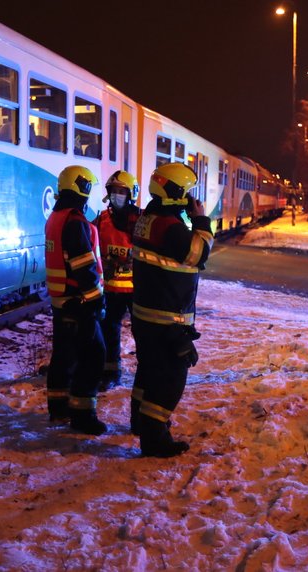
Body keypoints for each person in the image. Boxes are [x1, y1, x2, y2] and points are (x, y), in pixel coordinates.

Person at [130, 163, 214, 457]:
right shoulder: (171, 228)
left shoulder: (147, 219)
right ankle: (155, 439)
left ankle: (139, 423)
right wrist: (201, 220)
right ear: (177, 192)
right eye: (189, 192)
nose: (192, 198)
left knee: (148, 372)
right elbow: (199, 254)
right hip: (166, 318)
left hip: (145, 313)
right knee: (170, 378)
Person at [45, 165, 108, 434]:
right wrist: (95, 301)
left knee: (63, 357)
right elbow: (84, 266)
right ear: (82, 188)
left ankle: (58, 409)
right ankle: (83, 416)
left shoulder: (56, 216)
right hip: (79, 302)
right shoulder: (76, 222)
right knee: (94, 357)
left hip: (61, 300)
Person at [92, 170, 143, 390]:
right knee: (109, 332)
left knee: (142, 333)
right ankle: (110, 373)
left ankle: (146, 372)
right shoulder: (101, 219)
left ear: (131, 194)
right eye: (114, 191)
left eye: (122, 191)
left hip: (136, 289)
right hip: (111, 289)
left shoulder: (141, 220)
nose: (117, 195)